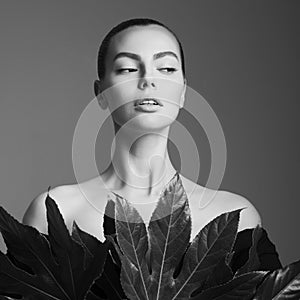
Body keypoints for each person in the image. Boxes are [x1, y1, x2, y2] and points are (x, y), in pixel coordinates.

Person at [22, 18, 282, 273]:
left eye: (166, 68)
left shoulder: (234, 218)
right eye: (127, 69)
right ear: (101, 93)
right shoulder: (57, 212)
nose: (148, 80)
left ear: (183, 93)